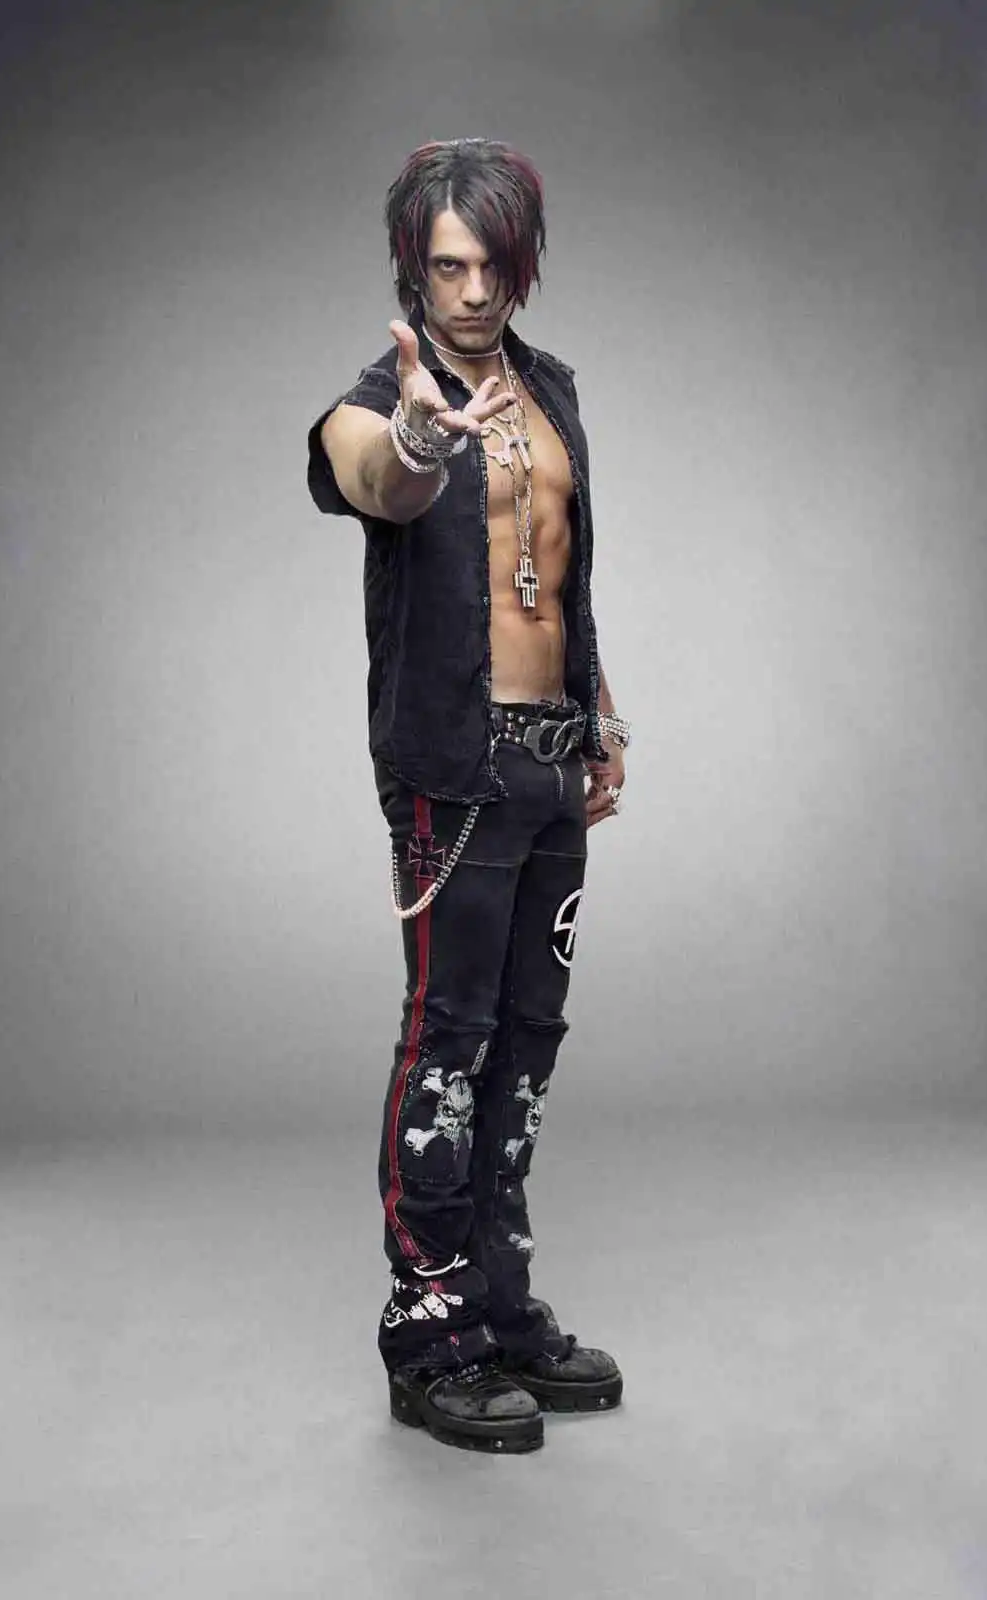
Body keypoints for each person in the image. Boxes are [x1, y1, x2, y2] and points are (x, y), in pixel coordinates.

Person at [306, 138, 632, 1455]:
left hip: (551, 755)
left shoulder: (550, 390)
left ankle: (497, 1302)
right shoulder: (376, 399)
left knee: (528, 1039)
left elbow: (563, 574)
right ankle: (426, 1329)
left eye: (493, 264)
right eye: (448, 266)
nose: (474, 289)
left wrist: (599, 712)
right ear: (413, 267)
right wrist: (414, 438)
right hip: (454, 765)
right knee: (448, 1037)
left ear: (522, 263)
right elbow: (370, 475)